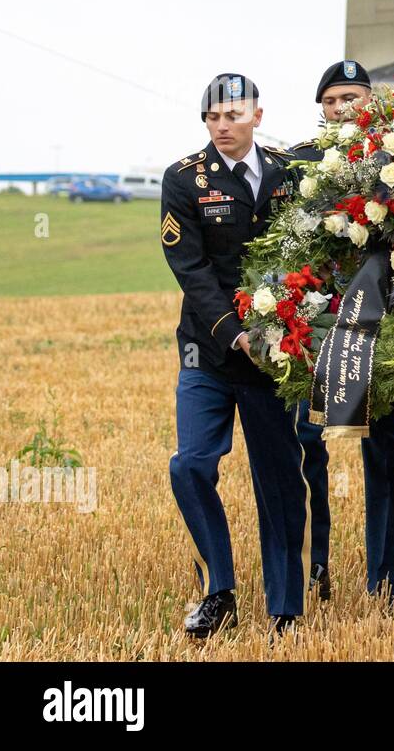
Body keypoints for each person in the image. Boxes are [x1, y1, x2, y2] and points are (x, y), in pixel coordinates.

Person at [162, 72, 310, 637]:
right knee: (191, 465)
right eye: (213, 117)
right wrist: (235, 332)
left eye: (233, 115)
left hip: (274, 356)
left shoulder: (285, 173)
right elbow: (191, 270)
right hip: (209, 349)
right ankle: (218, 589)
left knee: (278, 480)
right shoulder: (184, 179)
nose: (222, 126)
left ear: (257, 116)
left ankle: (286, 609)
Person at [289, 60, 394, 603]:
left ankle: (387, 576)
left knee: (387, 450)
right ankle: (312, 567)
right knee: (305, 446)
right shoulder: (296, 164)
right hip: (313, 327)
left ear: (373, 102)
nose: (342, 108)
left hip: (379, 326)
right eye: (333, 99)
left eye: (353, 98)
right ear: (320, 106)